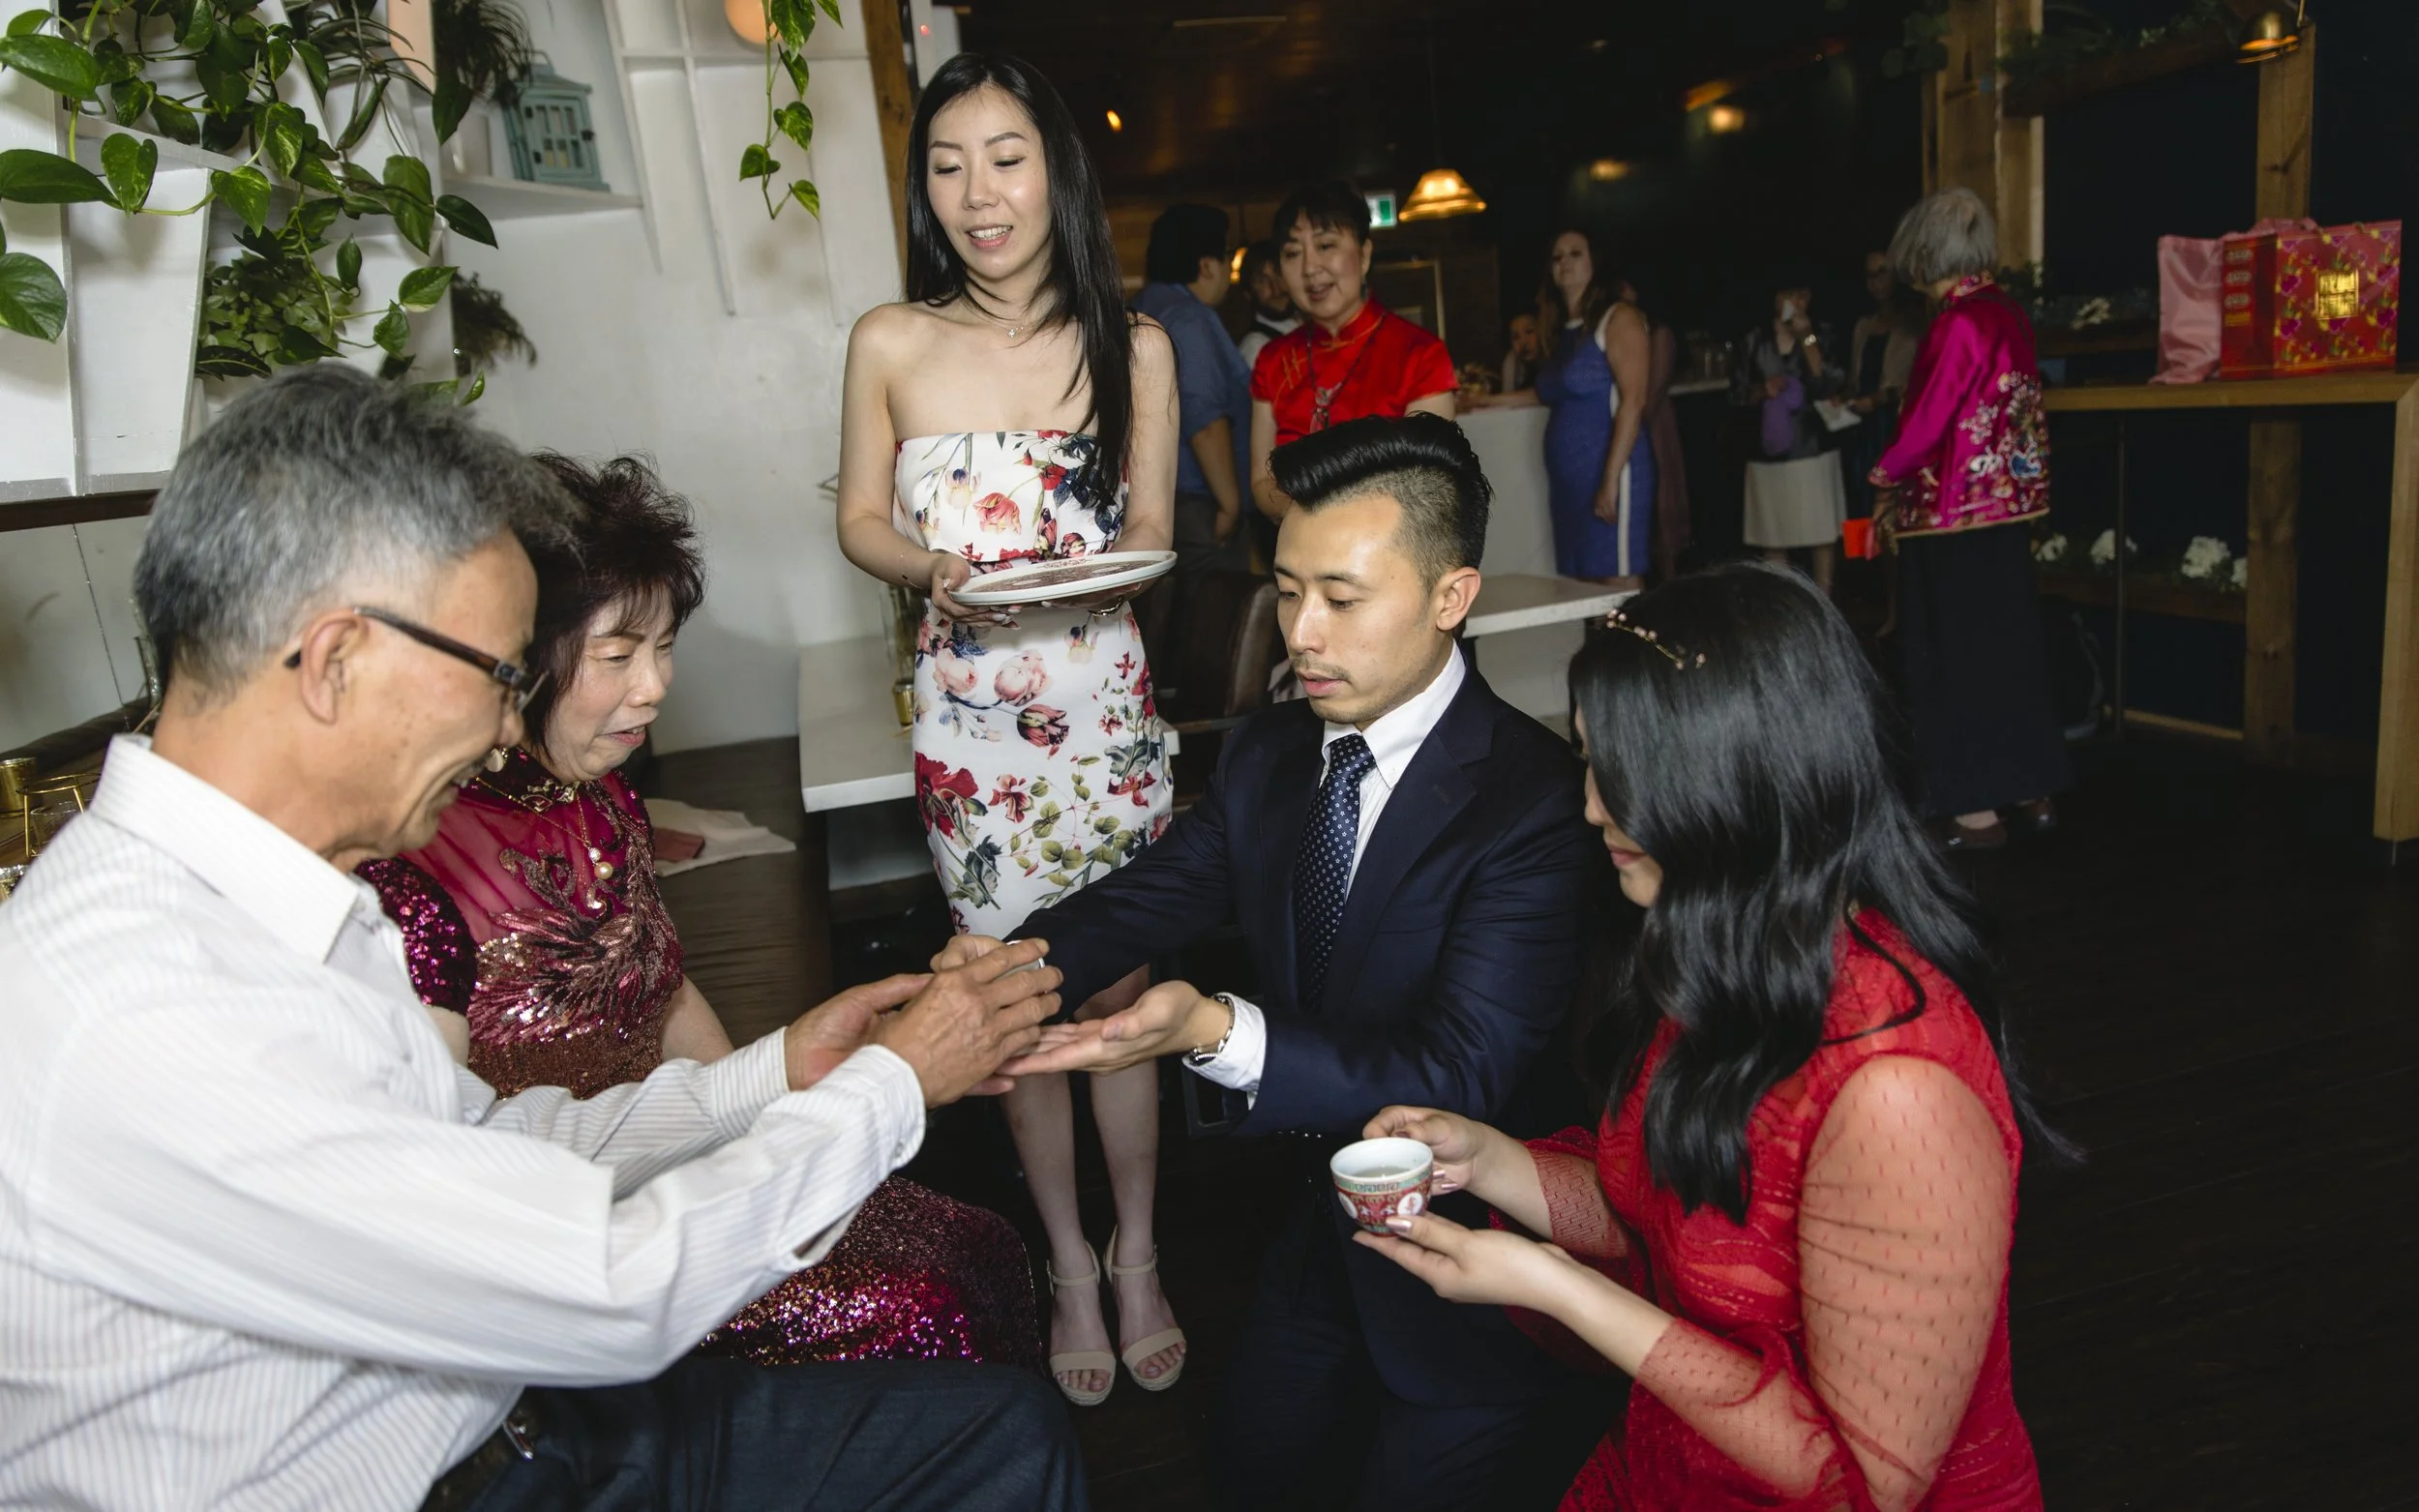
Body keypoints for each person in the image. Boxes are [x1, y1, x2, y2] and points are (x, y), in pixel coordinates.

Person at [0, 365, 1083, 1512]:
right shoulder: (145, 1005)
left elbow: (494, 1149)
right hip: (459, 1475)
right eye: (503, 671)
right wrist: (893, 1084)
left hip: (522, 1428)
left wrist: (774, 1074)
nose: (511, 721)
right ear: (335, 662)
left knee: (1004, 1439)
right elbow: (607, 1287)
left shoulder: (286, 898)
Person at [964, 415, 1613, 1511]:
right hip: (1320, 1228)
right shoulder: (1269, 753)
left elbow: (1457, 1077)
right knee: (1244, 1471)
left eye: (1343, 599)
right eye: (1286, 590)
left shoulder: (1534, 804)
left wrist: (1215, 1032)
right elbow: (1147, 900)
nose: (1301, 632)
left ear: (1451, 598)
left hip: (1480, 1265)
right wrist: (995, 978)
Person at [1359, 562, 2050, 1510]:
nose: (1594, 806)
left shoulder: (1896, 1095)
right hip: (1669, 1468)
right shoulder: (1724, 956)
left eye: (1624, 776)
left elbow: (1863, 1485)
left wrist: (1565, 1291)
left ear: (1735, 782)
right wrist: (1483, 1161)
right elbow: (1673, 1219)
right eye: (1587, 762)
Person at [360, 452, 1039, 1370]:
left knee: (977, 1241)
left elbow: (665, 985)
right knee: (924, 1301)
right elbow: (457, 1188)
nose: (656, 685)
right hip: (583, 1229)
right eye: (617, 655)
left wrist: (760, 1103)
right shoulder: (412, 863)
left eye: (665, 646)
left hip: (683, 1137)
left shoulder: (599, 795)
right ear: (513, 659)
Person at [832, 50, 1186, 1409]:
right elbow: (860, 518)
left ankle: (1142, 1249)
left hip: (1102, 716)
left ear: (1057, 173)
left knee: (1118, 993)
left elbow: (1153, 531)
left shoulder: (1133, 344)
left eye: (1006, 158)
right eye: (947, 164)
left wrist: (1097, 568)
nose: (978, 194)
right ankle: (1067, 1265)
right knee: (1014, 999)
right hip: (971, 735)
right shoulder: (892, 339)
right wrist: (930, 571)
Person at [1868, 188, 2068, 848]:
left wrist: (1883, 470)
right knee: (2010, 647)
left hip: (1951, 513)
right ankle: (2030, 790)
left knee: (1954, 656)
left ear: (1922, 252)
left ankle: (1976, 811)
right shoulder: (2006, 311)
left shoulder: (1954, 324)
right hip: (2006, 509)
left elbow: (1928, 418)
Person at [1248, 180, 1457, 523]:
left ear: (1364, 254)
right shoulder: (1273, 361)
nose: (1310, 268)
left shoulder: (1420, 354)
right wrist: (1320, 524)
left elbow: (1431, 482)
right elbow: (1262, 482)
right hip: (1301, 557)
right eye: (1292, 253)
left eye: (1326, 245)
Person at [1132, 203, 1252, 653]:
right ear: (1207, 264)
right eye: (1225, 259)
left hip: (1158, 501)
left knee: (1179, 632)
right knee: (1220, 642)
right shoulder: (1189, 318)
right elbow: (1202, 415)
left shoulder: (1143, 308)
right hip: (1201, 506)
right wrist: (1230, 502)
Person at [1531, 229, 1656, 589]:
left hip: (1612, 469)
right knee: (1589, 586)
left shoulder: (1619, 318)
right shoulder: (1564, 330)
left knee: (1619, 576)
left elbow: (1634, 400)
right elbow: (1545, 390)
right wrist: (1479, 401)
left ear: (1594, 262)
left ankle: (1636, 648)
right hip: (1572, 483)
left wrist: (1610, 479)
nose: (1564, 263)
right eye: (1557, 257)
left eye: (1575, 253)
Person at [1733, 278, 1847, 592]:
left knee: (1820, 531)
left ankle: (1825, 600)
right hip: (1767, 449)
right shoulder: (1755, 339)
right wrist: (1761, 390)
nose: (1794, 302)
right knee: (1772, 533)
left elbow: (1829, 384)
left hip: (1812, 446)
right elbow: (1736, 393)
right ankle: (1780, 607)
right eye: (1788, 294)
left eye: (1801, 295)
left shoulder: (1821, 333)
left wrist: (1806, 337)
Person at [1845, 250, 1926, 523]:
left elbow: (1918, 381)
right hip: (1862, 426)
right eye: (1870, 274)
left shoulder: (1914, 323)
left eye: (1882, 272)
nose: (1876, 281)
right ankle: (1862, 564)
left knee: (1893, 506)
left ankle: (1894, 564)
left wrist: (1881, 398)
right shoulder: (1863, 326)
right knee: (1860, 504)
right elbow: (1856, 379)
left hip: (1894, 423)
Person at [1235, 237, 1299, 372]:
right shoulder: (1256, 349)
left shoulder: (1308, 327)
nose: (1276, 288)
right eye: (1262, 280)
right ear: (1248, 294)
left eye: (1279, 273)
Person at [1500, 311, 1544, 395]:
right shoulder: (1512, 362)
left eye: (1529, 332)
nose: (1523, 342)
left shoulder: (1555, 363)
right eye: (1516, 337)